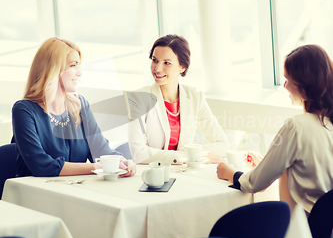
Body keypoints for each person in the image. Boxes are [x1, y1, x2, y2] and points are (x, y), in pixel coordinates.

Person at [217, 44, 333, 213]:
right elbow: (314, 170)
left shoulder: (296, 126)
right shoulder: (326, 123)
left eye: (288, 80)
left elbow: (256, 183)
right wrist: (270, 163)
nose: (284, 86)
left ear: (304, 83)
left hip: (303, 229)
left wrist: (230, 173)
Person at [12, 38, 136, 178]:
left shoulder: (80, 104)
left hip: (74, 189)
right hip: (36, 192)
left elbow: (100, 148)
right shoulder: (24, 111)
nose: (80, 73)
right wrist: (94, 167)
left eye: (79, 65)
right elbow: (41, 165)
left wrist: (122, 161)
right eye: (73, 65)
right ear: (53, 69)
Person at [128, 34, 227, 164]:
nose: (157, 68)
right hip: (151, 175)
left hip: (185, 173)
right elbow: (139, 154)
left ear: (182, 67)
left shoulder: (195, 98)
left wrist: (194, 154)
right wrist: (186, 156)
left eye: (166, 63)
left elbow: (222, 144)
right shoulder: (139, 99)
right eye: (155, 60)